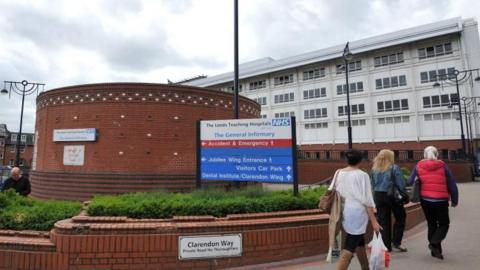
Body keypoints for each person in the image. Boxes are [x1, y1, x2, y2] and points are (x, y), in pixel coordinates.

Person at [334, 150, 382, 270]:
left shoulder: (338, 172)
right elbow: (367, 200)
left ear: (347, 160)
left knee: (359, 241)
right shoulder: (362, 175)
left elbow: (333, 191)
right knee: (350, 245)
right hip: (357, 213)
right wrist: (374, 221)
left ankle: (365, 267)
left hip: (343, 211)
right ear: (361, 161)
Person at [408, 146, 458, 260]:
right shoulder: (443, 165)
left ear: (424, 155)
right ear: (437, 154)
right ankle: (434, 244)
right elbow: (452, 184)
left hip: (426, 201)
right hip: (441, 200)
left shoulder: (418, 166)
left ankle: (435, 251)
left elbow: (410, 181)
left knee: (432, 224)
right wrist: (455, 200)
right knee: (444, 224)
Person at [371, 149, 408, 252]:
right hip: (391, 196)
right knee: (401, 217)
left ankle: (386, 246)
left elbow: (372, 185)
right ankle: (396, 242)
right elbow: (400, 184)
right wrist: (404, 194)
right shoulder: (394, 168)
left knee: (384, 221)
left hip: (378, 196)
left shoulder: (374, 169)